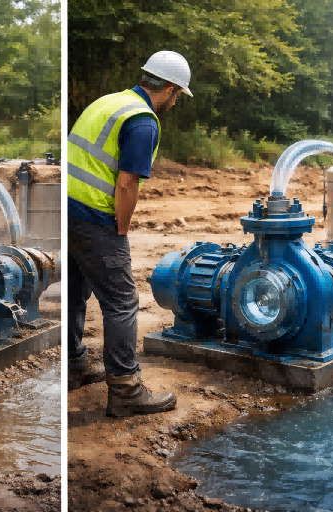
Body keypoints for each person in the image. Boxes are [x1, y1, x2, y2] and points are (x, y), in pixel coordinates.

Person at [67, 51, 192, 417]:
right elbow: (126, 185)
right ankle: (125, 388)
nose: (175, 102)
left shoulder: (109, 102)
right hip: (94, 217)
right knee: (122, 301)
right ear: (168, 89)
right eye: (176, 95)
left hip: (69, 211)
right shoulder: (142, 121)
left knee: (76, 290)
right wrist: (121, 228)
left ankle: (75, 364)